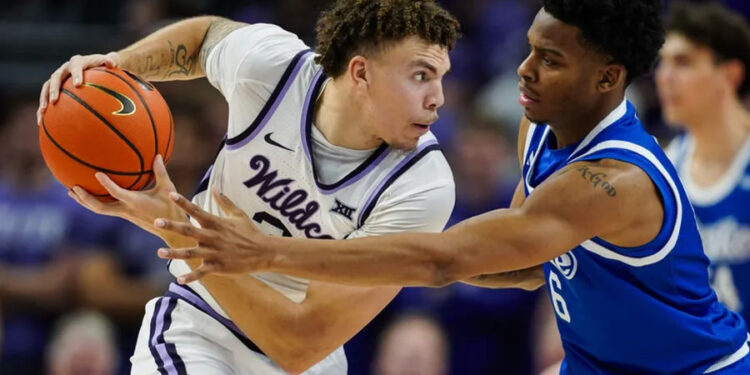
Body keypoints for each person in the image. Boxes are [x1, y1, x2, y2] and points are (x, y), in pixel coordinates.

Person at [156, 1, 750, 373]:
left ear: (607, 78)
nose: (524, 69)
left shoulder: (613, 180)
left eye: (550, 59)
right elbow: (523, 268)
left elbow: (445, 260)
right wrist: (378, 264)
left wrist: (268, 251)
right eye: (529, 50)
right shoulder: (543, 127)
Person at [39, 0, 460, 374]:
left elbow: (300, 345)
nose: (438, 97)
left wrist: (177, 227)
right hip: (198, 323)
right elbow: (205, 39)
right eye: (421, 76)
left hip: (308, 359)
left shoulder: (421, 185)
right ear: (360, 73)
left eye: (440, 77)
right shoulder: (273, 67)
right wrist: (117, 68)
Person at [656, 2, 750, 327]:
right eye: (662, 63)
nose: (664, 77)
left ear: (730, 75)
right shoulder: (664, 167)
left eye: (683, 62)